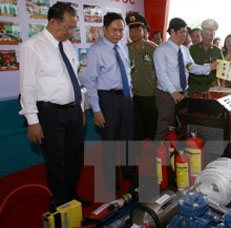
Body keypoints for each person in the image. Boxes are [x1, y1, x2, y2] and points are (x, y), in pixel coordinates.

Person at [19, 2, 88, 207]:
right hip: (50, 113)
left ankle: (72, 196)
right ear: (52, 22)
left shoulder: (67, 45)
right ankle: (61, 204)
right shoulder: (32, 46)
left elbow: (75, 78)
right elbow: (27, 86)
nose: (71, 31)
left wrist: (81, 107)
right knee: (56, 161)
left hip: (74, 111)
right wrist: (32, 121)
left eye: (73, 27)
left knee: (75, 158)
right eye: (68, 27)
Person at [81, 13, 135, 191]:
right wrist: (96, 110)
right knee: (110, 141)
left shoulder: (122, 46)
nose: (118, 34)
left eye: (121, 30)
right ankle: (111, 181)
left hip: (125, 98)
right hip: (107, 99)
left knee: (128, 138)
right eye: (114, 30)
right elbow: (90, 81)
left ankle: (128, 172)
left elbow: (126, 73)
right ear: (104, 29)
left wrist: (130, 96)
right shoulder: (96, 50)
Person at [153, 17, 217, 140]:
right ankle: (159, 156)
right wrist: (173, 92)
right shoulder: (161, 50)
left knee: (182, 127)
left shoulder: (184, 50)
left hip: (184, 94)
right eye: (182, 32)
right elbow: (161, 74)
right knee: (165, 127)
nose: (185, 35)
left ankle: (176, 155)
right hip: (167, 96)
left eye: (186, 32)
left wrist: (210, 67)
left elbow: (191, 67)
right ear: (172, 32)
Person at [126, 13, 158, 141]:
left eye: (137, 29)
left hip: (151, 96)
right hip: (134, 97)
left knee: (153, 128)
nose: (133, 33)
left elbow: (160, 73)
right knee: (136, 129)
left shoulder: (153, 49)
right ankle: (136, 157)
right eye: (131, 30)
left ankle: (157, 157)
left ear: (144, 30)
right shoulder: (125, 49)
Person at [188, 19, 223, 94]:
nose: (208, 37)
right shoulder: (193, 50)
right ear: (202, 34)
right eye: (206, 34)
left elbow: (223, 69)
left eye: (211, 35)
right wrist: (194, 69)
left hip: (211, 88)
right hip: (194, 87)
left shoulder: (217, 51)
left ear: (214, 36)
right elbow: (188, 66)